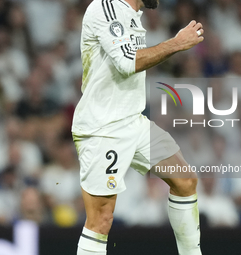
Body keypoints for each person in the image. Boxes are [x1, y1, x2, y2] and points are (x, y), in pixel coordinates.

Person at [71, 0, 204, 254]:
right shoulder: (104, 7)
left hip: (133, 120)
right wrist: (177, 43)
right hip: (103, 128)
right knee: (101, 220)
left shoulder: (132, 14)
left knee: (185, 181)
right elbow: (127, 63)